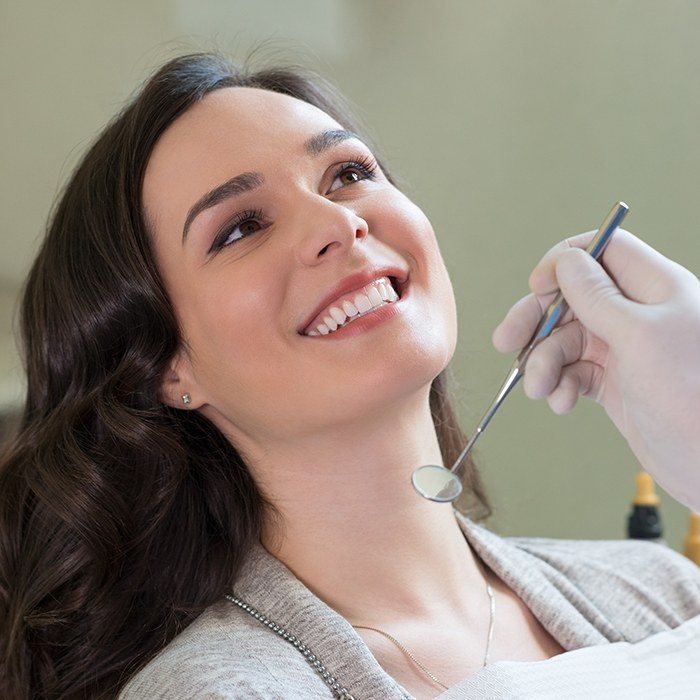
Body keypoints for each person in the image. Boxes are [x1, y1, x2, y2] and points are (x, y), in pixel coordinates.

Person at [0, 51, 698, 700]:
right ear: (167, 370)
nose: (337, 222)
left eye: (348, 174)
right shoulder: (222, 690)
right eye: (242, 226)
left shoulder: (664, 592)